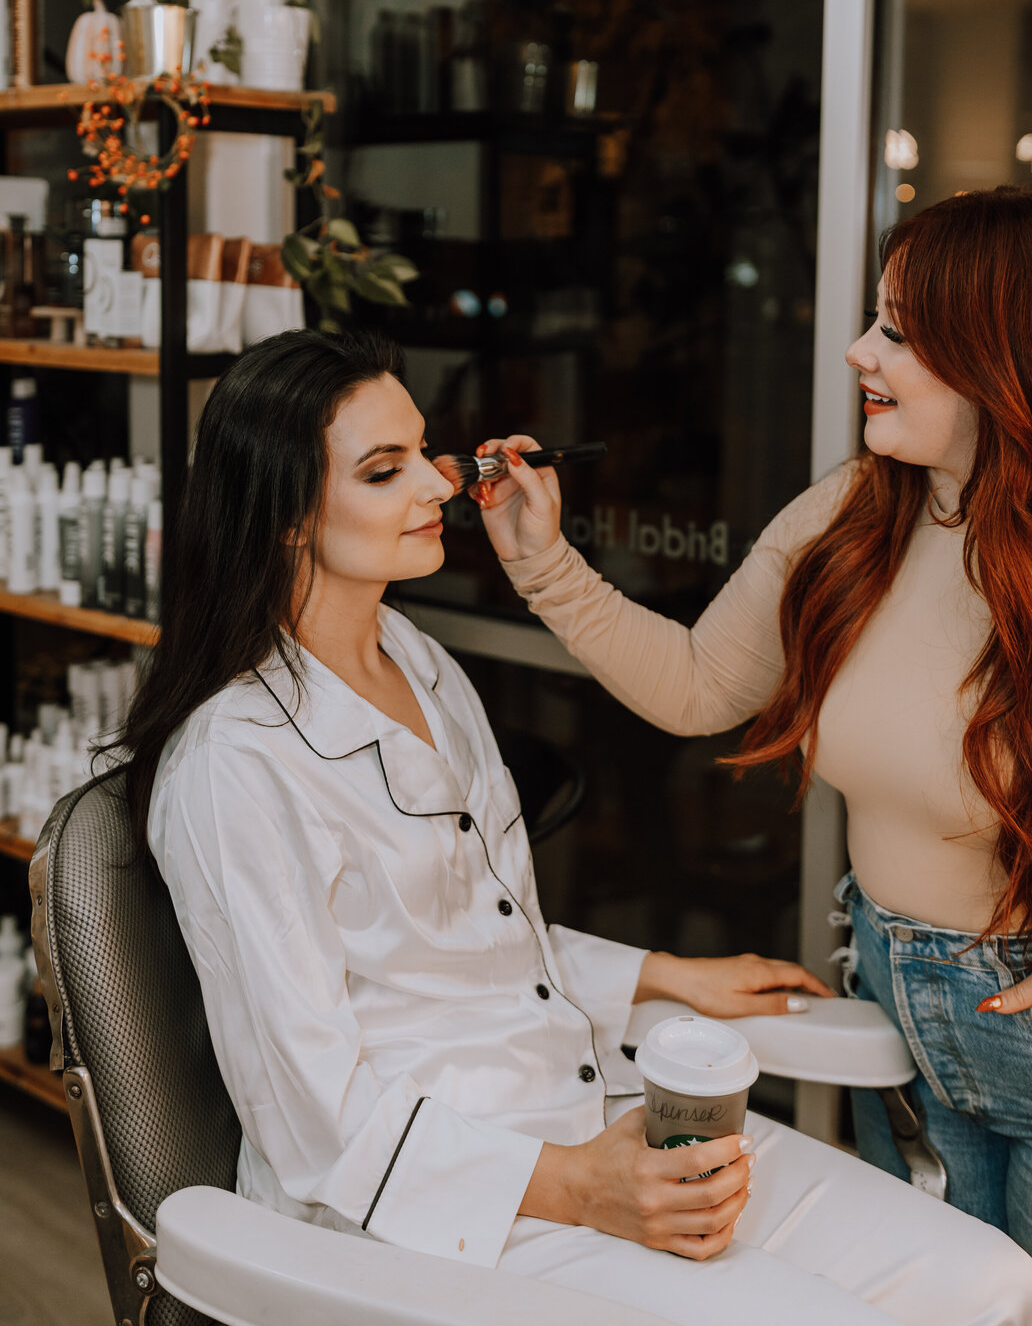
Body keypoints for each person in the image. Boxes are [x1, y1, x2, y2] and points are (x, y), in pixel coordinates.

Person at [118, 326, 1031, 1325]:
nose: (436, 484)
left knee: (996, 1282)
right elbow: (314, 1123)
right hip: (442, 1207)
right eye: (386, 472)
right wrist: (580, 1186)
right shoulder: (236, 764)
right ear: (286, 517)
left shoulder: (418, 665)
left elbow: (479, 943)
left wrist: (670, 976)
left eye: (426, 451)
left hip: (583, 1111)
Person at [477, 185, 1032, 1256]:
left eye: (900, 334)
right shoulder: (853, 514)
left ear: (996, 354)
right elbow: (696, 685)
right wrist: (539, 560)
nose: (859, 353)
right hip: (893, 998)